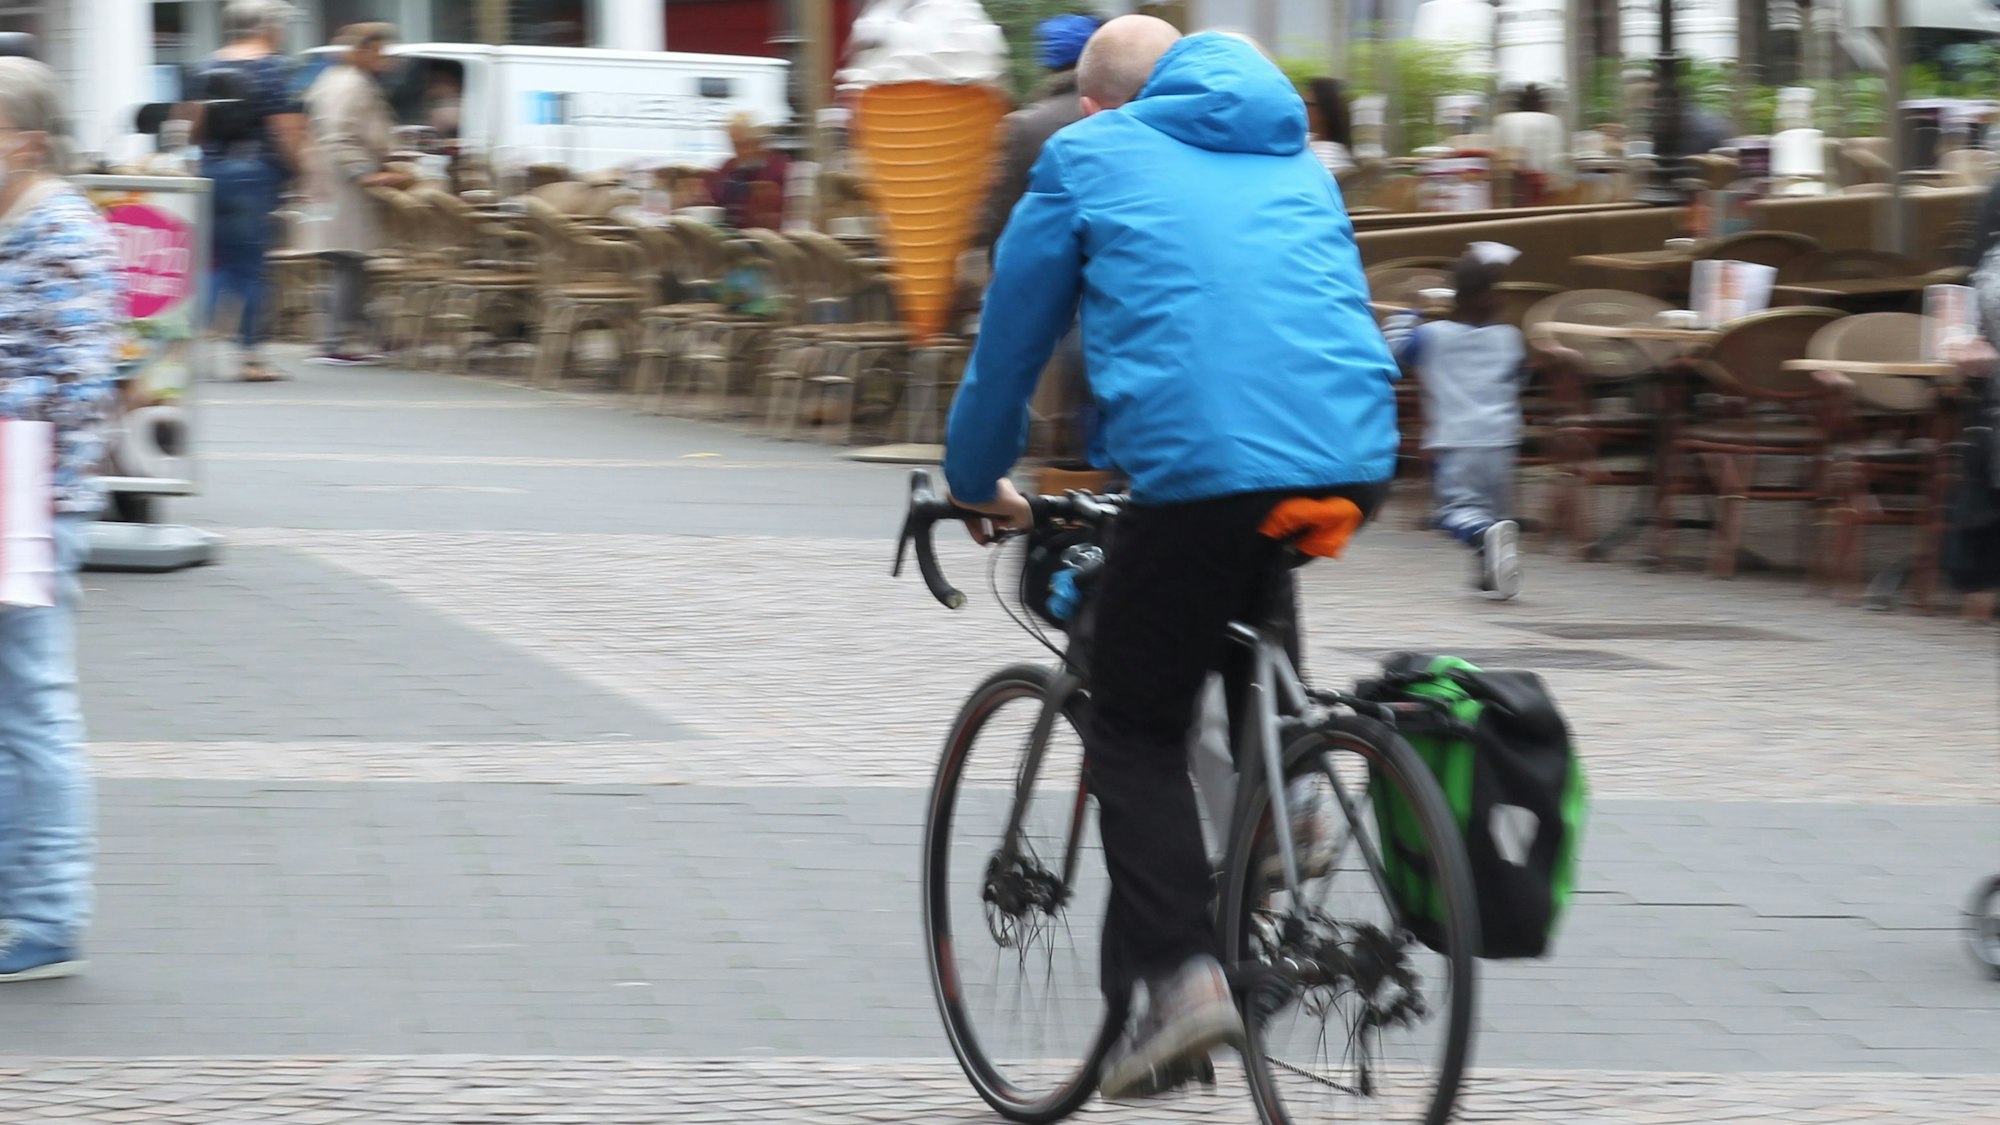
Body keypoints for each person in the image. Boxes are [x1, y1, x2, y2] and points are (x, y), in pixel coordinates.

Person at [941, 17, 1398, 1098]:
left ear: (1095, 102)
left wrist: (973, 477)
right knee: (1235, 588)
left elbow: (1009, 343)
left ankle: (1185, 982)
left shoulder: (1087, 155)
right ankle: (1289, 804)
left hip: (1199, 468)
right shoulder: (1295, 154)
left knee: (1133, 723)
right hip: (1350, 458)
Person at [0, 57, 120, 983]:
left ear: (26, 140)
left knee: (34, 702)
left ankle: (50, 912)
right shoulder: (15, 221)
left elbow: (83, 388)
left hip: (23, 488)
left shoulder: (62, 231)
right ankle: (20, 901)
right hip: (15, 482)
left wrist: (34, 505)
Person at [974, 12, 1101, 468]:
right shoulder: (1128, 116)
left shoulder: (1026, 126)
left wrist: (995, 263)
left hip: (1049, 270)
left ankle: (1059, 438)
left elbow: (999, 212)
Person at [1385, 252, 1524, 599]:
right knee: (1494, 515)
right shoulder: (1510, 338)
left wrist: (1409, 311)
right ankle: (1490, 570)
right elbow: (1521, 376)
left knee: (1456, 512)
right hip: (1503, 441)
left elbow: (1393, 349)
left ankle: (1482, 540)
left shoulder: (1433, 336)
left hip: (1457, 442)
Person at [187, 0, 304, 382]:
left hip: (211, 174)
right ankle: (251, 358)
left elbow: (190, 128)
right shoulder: (273, 68)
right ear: (269, 27)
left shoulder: (205, 67)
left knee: (216, 261)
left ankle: (183, 342)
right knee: (250, 268)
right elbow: (286, 130)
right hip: (254, 175)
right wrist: (302, 171)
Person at [303, 22, 407, 365]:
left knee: (345, 262)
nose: (384, 59)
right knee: (349, 260)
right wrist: (368, 174)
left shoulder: (329, 80)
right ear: (362, 52)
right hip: (343, 184)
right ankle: (334, 341)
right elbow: (341, 137)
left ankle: (359, 334)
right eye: (379, 51)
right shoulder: (353, 85)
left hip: (325, 182)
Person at [706, 114, 788, 231]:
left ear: (758, 142)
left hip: (766, 237)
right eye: (735, 144)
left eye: (744, 144)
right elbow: (713, 198)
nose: (741, 151)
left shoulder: (779, 168)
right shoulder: (727, 168)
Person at [1493, 84, 1566, 205]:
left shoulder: (1503, 120)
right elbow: (1555, 157)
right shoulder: (1552, 121)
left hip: (1511, 183)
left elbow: (1497, 153)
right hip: (1541, 183)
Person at [1307, 76, 1354, 177]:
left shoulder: (1326, 157)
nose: (1304, 108)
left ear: (1324, 111)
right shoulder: (1311, 139)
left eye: (1308, 104)